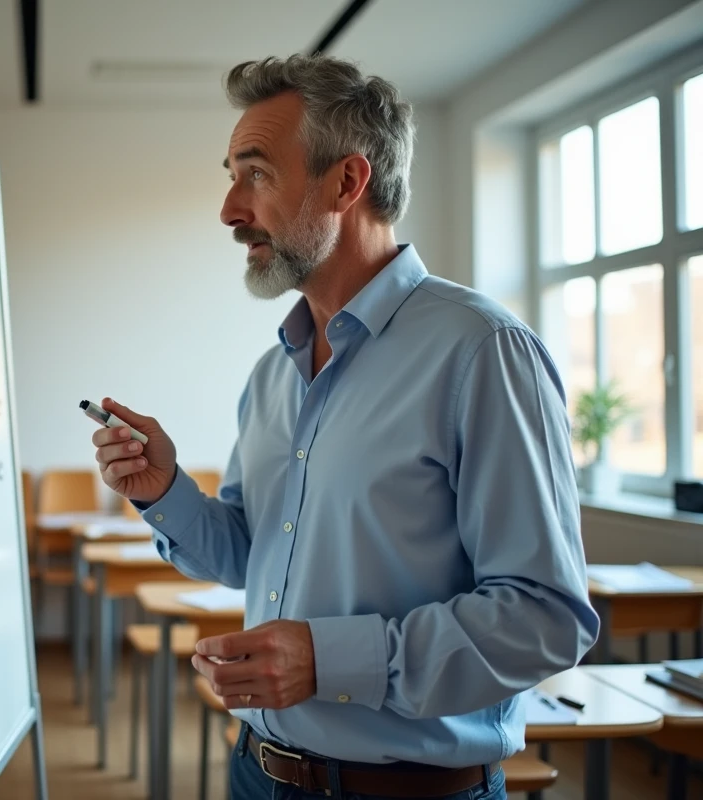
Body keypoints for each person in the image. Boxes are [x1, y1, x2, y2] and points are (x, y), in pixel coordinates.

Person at [89, 53, 599, 800]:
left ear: (348, 182)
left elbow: (545, 620)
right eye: (231, 175)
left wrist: (331, 660)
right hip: (256, 770)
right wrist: (165, 489)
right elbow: (253, 552)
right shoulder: (273, 373)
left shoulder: (482, 352)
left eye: (255, 173)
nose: (231, 209)